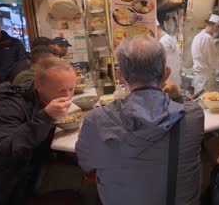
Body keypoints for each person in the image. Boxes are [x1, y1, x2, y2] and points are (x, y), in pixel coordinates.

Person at [76, 35, 204, 205]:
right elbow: (184, 108)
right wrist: (179, 97)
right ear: (166, 72)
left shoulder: (95, 121)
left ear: (120, 76)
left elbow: (87, 165)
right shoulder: (193, 116)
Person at [0, 58, 77, 205]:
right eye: (61, 90)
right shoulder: (6, 104)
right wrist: (45, 118)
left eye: (72, 89)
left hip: (32, 169)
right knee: (87, 183)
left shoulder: (43, 100)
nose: (68, 97)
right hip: (6, 188)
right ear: (38, 85)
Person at [191, 14, 219, 94]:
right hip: (206, 79)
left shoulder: (197, 36)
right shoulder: (208, 38)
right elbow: (213, 62)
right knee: (207, 104)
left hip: (199, 78)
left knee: (199, 102)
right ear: (216, 26)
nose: (217, 32)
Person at [157, 19, 181, 85]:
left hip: (169, 79)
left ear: (156, 28)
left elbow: (164, 63)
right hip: (169, 77)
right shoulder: (164, 39)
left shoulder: (164, 41)